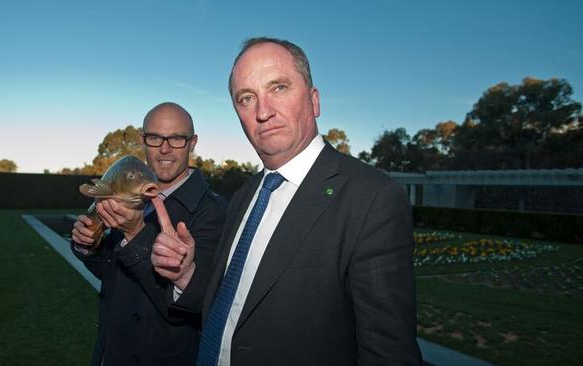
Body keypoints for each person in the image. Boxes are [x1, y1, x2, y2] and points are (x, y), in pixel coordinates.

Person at [151, 38, 421, 365]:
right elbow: (235, 306)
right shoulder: (244, 196)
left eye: (278, 87)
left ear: (314, 100)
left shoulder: (372, 199)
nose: (263, 112)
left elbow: (388, 353)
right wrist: (185, 275)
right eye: (246, 98)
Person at [71, 102, 227, 366]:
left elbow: (197, 302)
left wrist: (135, 234)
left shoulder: (214, 212)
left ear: (192, 142)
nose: (164, 148)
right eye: (155, 137)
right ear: (143, 140)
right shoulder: (133, 197)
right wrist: (90, 245)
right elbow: (114, 274)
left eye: (176, 138)